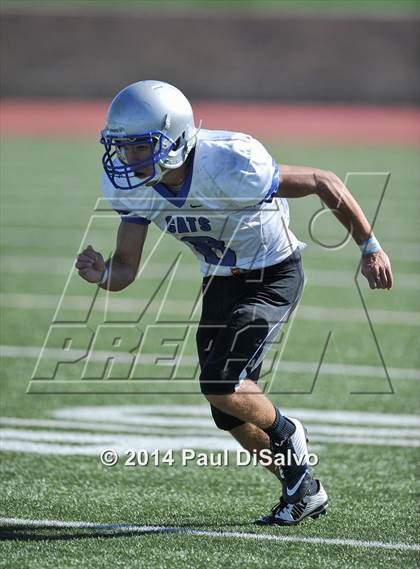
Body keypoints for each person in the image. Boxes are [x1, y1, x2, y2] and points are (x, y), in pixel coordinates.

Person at [76, 80, 393, 526]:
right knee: (227, 412)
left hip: (273, 272)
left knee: (222, 383)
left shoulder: (231, 162)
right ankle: (303, 487)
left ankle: (287, 432)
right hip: (220, 280)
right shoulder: (136, 188)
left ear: (176, 138)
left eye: (140, 146)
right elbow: (125, 269)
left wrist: (369, 246)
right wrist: (103, 274)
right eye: (123, 147)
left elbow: (325, 182)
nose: (128, 158)